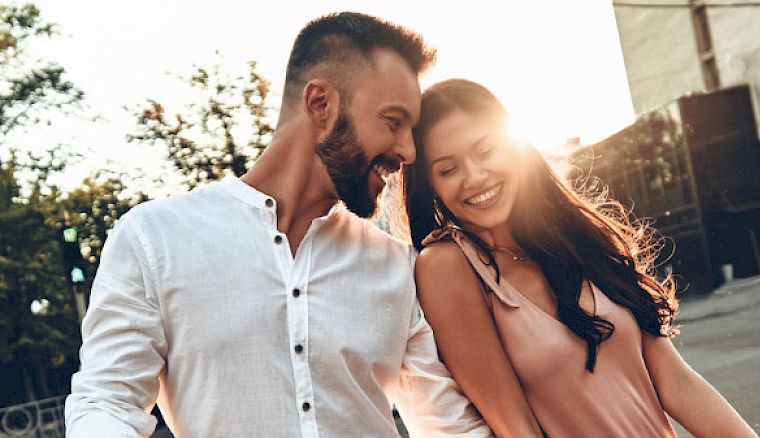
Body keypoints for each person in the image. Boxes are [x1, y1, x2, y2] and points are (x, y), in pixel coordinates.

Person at [65, 14, 493, 437]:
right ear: (320, 104)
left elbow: (449, 426)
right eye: (393, 122)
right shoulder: (153, 239)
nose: (407, 151)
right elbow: (107, 402)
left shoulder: (394, 263)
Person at [403, 78, 758, 438]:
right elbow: (515, 428)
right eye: (448, 169)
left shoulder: (577, 240)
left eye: (485, 151)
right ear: (430, 185)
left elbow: (676, 382)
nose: (475, 177)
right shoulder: (447, 266)